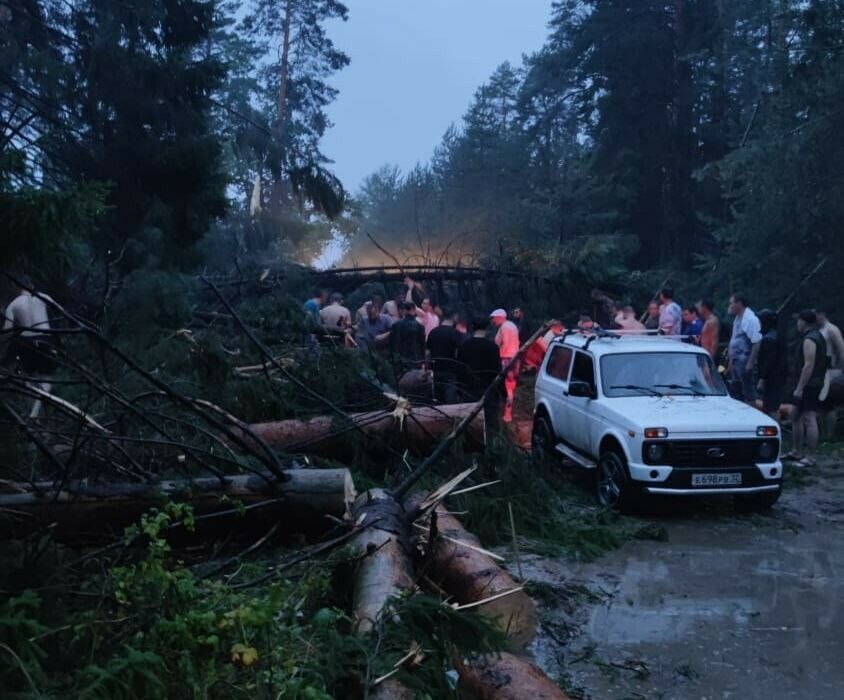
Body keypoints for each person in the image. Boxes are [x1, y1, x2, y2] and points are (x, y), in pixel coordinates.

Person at [3, 275, 57, 418]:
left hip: (26, 343)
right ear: (31, 286)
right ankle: (35, 413)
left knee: (28, 377)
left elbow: (7, 331)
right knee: (47, 378)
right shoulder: (43, 297)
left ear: (16, 289)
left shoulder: (13, 305)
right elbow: (59, 311)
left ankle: (32, 411)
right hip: (45, 339)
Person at [785, 310, 828, 468]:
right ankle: (796, 451)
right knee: (794, 415)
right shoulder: (816, 336)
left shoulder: (810, 339)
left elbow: (809, 365)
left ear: (804, 322)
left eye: (798, 321)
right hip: (808, 383)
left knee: (809, 418)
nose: (797, 324)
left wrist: (800, 388)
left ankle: (811, 457)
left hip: (809, 385)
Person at [457, 316, 502, 432]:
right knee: (490, 422)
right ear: (487, 328)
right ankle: (489, 445)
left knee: (469, 421)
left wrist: (459, 388)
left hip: (469, 389)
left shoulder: (464, 346)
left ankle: (471, 445)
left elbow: (459, 369)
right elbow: (498, 370)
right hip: (488, 390)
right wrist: (502, 392)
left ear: (473, 328)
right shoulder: (493, 347)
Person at [727, 293, 762, 403]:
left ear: (739, 304)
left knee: (748, 392)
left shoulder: (751, 319)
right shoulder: (737, 318)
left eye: (731, 303)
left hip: (745, 361)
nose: (730, 306)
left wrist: (750, 364)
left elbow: (756, 342)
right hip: (736, 361)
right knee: (736, 389)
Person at [426, 309, 464, 404]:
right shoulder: (455, 333)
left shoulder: (433, 332)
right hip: (451, 371)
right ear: (454, 317)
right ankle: (451, 418)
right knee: (450, 400)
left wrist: (427, 368)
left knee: (438, 399)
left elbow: (427, 352)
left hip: (436, 370)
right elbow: (459, 352)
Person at [816, 310, 844, 437]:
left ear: (821, 314)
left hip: (831, 370)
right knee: (821, 404)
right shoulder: (820, 330)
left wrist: (839, 368)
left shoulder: (831, 329)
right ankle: (822, 434)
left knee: (829, 404)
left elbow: (841, 349)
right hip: (821, 370)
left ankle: (830, 434)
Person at [491, 308, 520, 423]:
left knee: (506, 385)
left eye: (494, 318)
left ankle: (506, 415)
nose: (493, 320)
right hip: (516, 357)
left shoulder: (503, 327)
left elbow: (497, 343)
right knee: (511, 384)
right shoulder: (512, 325)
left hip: (505, 358)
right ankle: (508, 412)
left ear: (500, 317)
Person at [756, 309, 787, 418]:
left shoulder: (769, 339)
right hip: (779, 376)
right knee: (774, 405)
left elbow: (768, 361)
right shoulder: (779, 336)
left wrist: (762, 378)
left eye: (760, 321)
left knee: (770, 407)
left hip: (771, 378)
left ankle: (773, 428)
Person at [389, 302, 426, 376]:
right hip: (416, 361)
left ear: (404, 310)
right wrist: (423, 360)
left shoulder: (395, 325)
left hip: (400, 361)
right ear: (414, 310)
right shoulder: (420, 327)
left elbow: (392, 344)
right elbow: (423, 346)